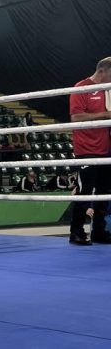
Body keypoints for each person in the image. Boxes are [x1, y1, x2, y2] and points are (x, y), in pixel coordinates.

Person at [68, 57, 111, 245]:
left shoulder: (108, 91)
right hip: (86, 148)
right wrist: (105, 115)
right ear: (103, 71)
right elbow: (76, 118)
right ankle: (76, 231)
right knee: (85, 191)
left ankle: (99, 231)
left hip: (106, 148)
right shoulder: (82, 87)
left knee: (104, 191)